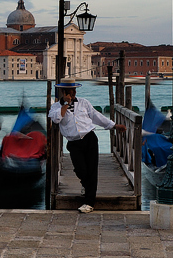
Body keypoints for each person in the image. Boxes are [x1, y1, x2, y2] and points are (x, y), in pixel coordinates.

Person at [48, 77, 126, 213]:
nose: (73, 94)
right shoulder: (55, 107)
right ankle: (85, 184)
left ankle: (89, 203)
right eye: (69, 91)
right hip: (74, 143)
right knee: (81, 170)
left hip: (89, 138)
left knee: (92, 170)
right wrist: (65, 104)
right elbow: (56, 119)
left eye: (73, 91)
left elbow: (96, 116)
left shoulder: (84, 103)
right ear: (63, 92)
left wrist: (114, 125)